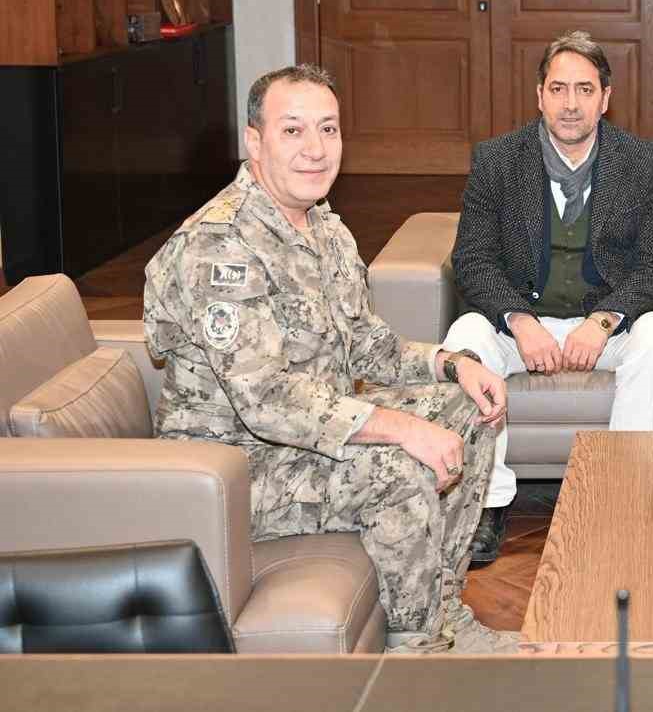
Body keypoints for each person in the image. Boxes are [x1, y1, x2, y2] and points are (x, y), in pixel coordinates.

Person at [145, 64, 521, 654]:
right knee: (401, 465)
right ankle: (419, 651)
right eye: (293, 130)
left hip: (305, 442)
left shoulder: (324, 227)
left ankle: (443, 610)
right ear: (254, 142)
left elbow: (369, 345)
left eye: (328, 129)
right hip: (235, 468)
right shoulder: (220, 246)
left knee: (467, 408)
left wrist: (454, 364)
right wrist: (402, 428)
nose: (316, 149)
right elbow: (266, 400)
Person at [445, 31, 653, 565]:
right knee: (464, 337)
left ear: (605, 98)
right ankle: (488, 502)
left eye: (584, 89)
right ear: (539, 96)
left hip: (603, 325)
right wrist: (520, 321)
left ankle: (622, 493)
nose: (570, 104)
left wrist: (604, 321)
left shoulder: (639, 161)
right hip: (520, 325)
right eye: (558, 89)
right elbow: (472, 260)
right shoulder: (498, 160)